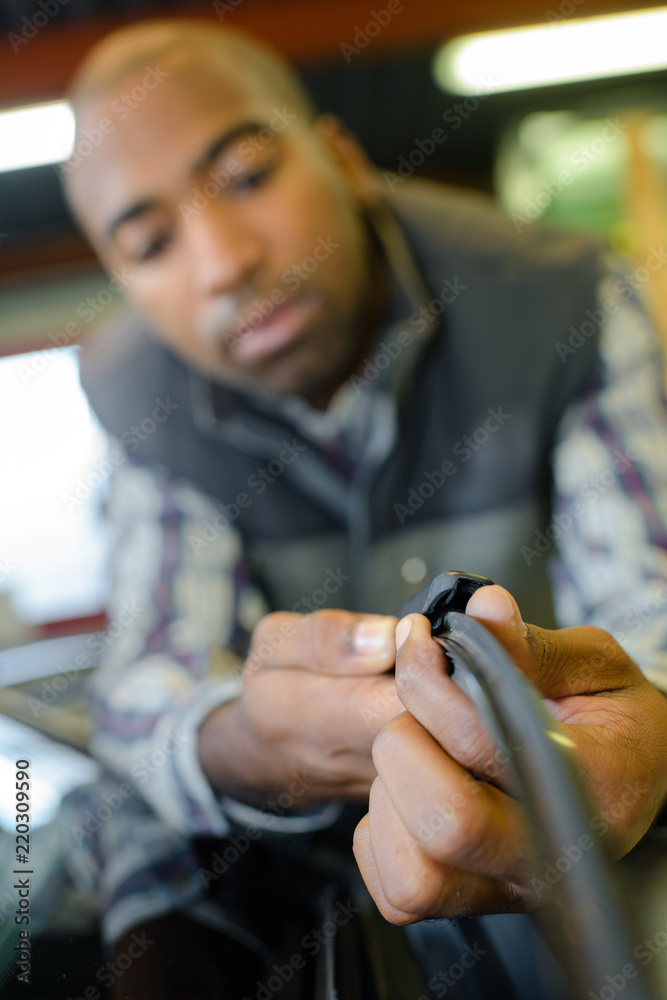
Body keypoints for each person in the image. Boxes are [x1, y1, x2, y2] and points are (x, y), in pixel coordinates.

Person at [60, 16, 667, 997]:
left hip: (595, 833)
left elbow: (654, 607)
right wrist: (246, 741)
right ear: (120, 277)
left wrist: (634, 738)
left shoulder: (561, 300)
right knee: (121, 825)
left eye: (249, 176)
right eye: (150, 241)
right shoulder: (145, 402)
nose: (223, 262)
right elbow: (151, 681)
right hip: (302, 878)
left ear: (340, 157)